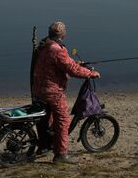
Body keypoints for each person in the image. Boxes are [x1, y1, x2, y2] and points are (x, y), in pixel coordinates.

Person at [32, 21, 100, 164]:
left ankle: (46, 144)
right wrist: (90, 73)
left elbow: (66, 63)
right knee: (63, 120)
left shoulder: (44, 45)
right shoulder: (58, 49)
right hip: (52, 92)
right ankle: (61, 155)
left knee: (49, 118)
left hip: (38, 89)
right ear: (62, 34)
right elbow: (72, 70)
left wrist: (77, 64)